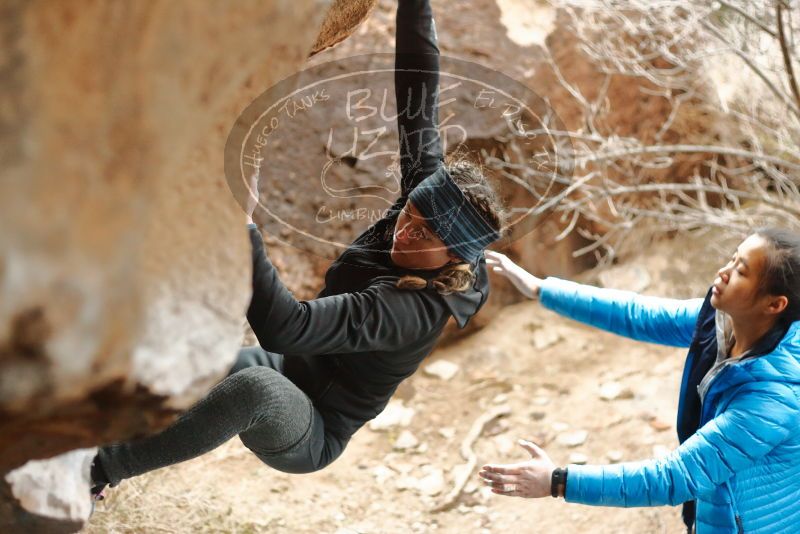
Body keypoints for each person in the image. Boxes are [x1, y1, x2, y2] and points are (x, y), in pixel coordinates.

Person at [90, 0, 503, 498]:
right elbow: (419, 83)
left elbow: (288, 327)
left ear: (454, 257)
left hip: (310, 428)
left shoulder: (413, 311)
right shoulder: (427, 202)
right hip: (280, 365)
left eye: (424, 235)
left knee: (254, 389)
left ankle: (96, 473)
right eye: (408, 213)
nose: (405, 230)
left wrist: (243, 226)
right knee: (189, 348)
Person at [479, 229, 800, 534]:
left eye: (741, 272)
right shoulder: (724, 323)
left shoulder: (770, 402)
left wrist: (558, 481)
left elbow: (675, 476)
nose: (723, 272)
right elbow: (639, 315)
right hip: (716, 504)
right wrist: (542, 289)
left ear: (775, 305)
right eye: (732, 258)